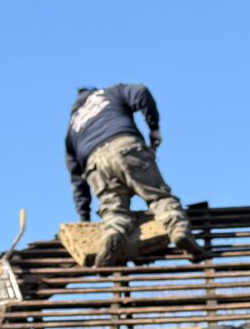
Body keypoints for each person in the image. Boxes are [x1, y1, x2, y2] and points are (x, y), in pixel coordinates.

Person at [63, 81, 193, 250]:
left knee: (114, 212)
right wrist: (153, 127)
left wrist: (84, 219)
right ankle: (178, 229)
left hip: (94, 165)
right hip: (124, 146)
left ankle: (113, 233)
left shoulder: (72, 130)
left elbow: (77, 180)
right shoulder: (110, 92)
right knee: (158, 196)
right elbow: (141, 92)